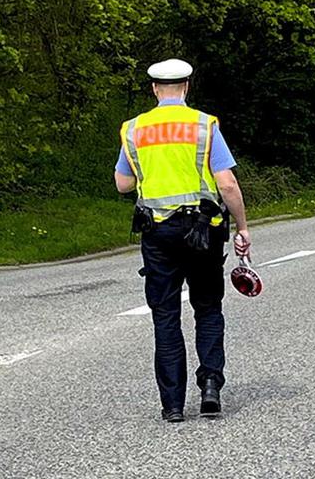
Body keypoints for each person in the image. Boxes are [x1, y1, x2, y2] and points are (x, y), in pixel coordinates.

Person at [114, 58, 250, 423]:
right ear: (187, 87)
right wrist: (243, 228)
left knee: (165, 316)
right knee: (207, 308)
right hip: (203, 230)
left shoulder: (134, 129)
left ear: (155, 89)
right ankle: (210, 387)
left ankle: (172, 405)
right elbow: (227, 183)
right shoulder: (204, 125)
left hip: (157, 234)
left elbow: (123, 183)